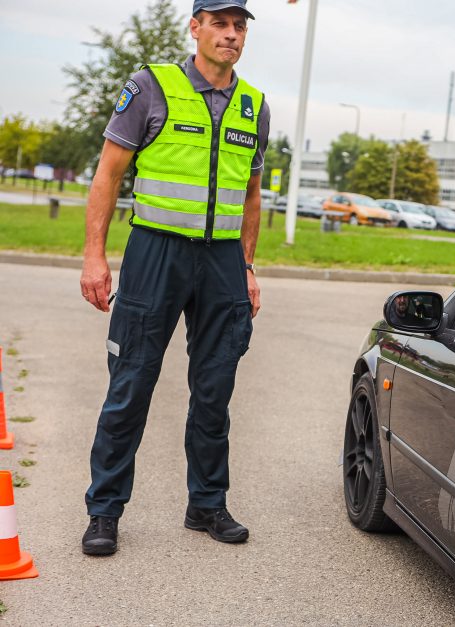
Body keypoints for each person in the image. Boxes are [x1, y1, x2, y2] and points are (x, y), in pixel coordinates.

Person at [79, 0, 270, 556]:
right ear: (195, 27)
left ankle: (207, 504)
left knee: (214, 391)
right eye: (219, 24)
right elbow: (108, 174)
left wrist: (249, 266)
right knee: (131, 384)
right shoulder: (150, 87)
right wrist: (95, 257)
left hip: (223, 263)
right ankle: (104, 511)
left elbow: (251, 195)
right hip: (154, 254)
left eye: (239, 26)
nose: (231, 35)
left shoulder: (254, 105)